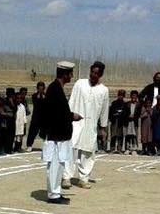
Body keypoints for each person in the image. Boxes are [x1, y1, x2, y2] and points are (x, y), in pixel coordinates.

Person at [39, 61, 82, 204]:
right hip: (55, 135)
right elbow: (57, 113)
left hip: (61, 135)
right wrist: (72, 116)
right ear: (65, 74)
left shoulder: (57, 88)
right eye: (70, 73)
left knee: (60, 165)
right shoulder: (54, 89)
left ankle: (56, 191)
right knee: (55, 165)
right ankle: (53, 194)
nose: (71, 76)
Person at [64, 61, 109, 189]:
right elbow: (71, 101)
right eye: (92, 72)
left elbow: (105, 110)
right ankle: (66, 177)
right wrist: (68, 117)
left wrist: (103, 128)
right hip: (76, 122)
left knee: (88, 151)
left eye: (96, 73)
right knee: (71, 148)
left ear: (100, 75)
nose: (93, 75)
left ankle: (84, 178)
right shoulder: (80, 84)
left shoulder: (104, 90)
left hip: (91, 124)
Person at [25, 81, 46, 150]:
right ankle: (29, 145)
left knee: (44, 132)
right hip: (36, 117)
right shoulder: (34, 96)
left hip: (44, 118)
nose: (41, 90)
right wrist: (39, 95)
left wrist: (43, 96)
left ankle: (45, 145)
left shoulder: (46, 96)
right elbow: (36, 103)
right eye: (39, 88)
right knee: (32, 132)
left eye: (42, 89)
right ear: (37, 88)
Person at [108, 89, 128, 153]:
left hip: (121, 122)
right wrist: (115, 114)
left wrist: (121, 114)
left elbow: (126, 113)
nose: (120, 96)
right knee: (113, 135)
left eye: (122, 95)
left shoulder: (125, 104)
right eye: (119, 95)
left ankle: (119, 148)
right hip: (114, 121)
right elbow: (111, 112)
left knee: (120, 136)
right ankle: (112, 148)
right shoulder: (114, 103)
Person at [125, 90, 140, 155]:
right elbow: (124, 113)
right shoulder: (127, 104)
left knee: (134, 135)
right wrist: (128, 116)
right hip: (128, 122)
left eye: (135, 96)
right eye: (132, 96)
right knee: (128, 135)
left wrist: (134, 116)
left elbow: (139, 113)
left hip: (134, 122)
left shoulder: (139, 105)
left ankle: (134, 149)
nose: (134, 97)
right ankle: (128, 148)